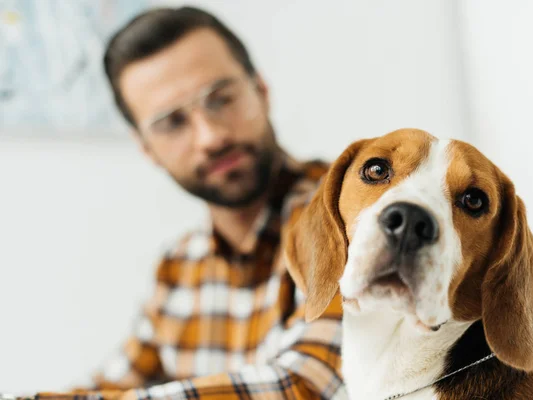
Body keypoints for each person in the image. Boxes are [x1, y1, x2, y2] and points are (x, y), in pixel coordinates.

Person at [36, 6, 344, 400]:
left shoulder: (348, 215)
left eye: (220, 99)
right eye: (172, 123)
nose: (210, 137)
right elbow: (107, 385)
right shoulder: (178, 266)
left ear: (261, 91)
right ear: (147, 148)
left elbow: (304, 387)